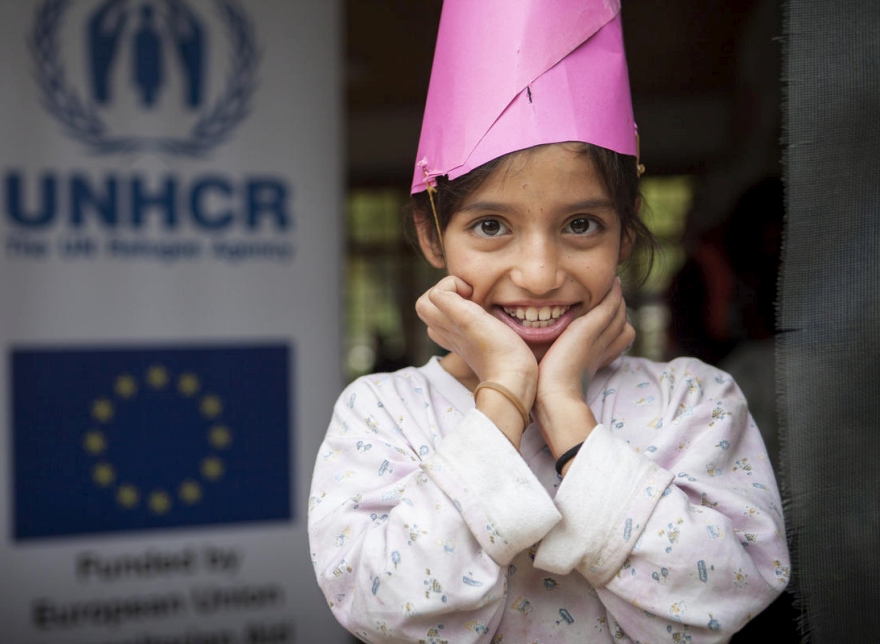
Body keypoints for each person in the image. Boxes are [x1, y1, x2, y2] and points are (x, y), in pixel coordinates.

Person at [308, 1, 789, 641]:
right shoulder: (380, 414)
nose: (538, 274)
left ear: (625, 232)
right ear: (431, 233)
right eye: (490, 226)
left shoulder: (694, 403)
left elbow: (728, 597)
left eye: (581, 225)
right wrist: (505, 389)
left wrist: (566, 408)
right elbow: (388, 612)